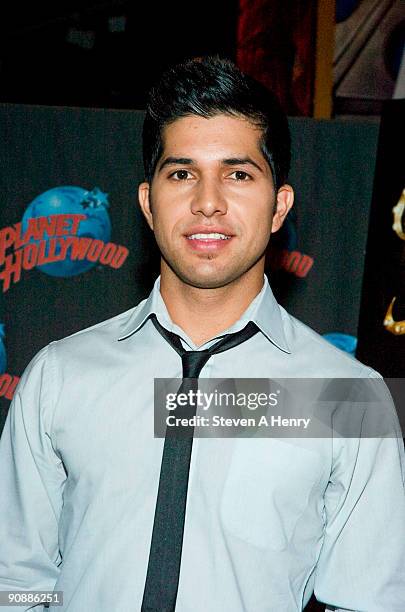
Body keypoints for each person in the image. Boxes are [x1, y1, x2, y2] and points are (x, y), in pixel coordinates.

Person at [0, 56, 404, 612]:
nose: (207, 201)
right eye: (182, 172)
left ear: (279, 205)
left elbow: (368, 601)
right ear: (147, 202)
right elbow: (14, 579)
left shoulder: (346, 396)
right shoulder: (60, 376)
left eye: (238, 174)